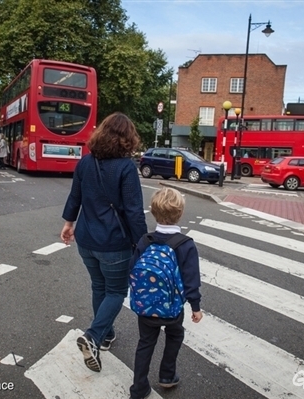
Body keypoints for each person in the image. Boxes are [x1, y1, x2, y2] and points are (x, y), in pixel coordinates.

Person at [61, 112, 147, 373]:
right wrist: (142, 243)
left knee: (99, 286)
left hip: (85, 239)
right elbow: (133, 211)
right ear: (127, 139)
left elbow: (75, 196)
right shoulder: (125, 168)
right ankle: (95, 336)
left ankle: (107, 335)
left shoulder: (85, 162)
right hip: (114, 242)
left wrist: (68, 224)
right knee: (117, 291)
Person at [129, 187, 203, 399]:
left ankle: (139, 388)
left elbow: (132, 269)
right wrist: (195, 307)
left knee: (145, 343)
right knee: (175, 334)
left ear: (153, 212)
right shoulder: (185, 245)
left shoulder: (145, 240)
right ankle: (167, 376)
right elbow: (191, 280)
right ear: (180, 213)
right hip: (172, 309)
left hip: (146, 308)